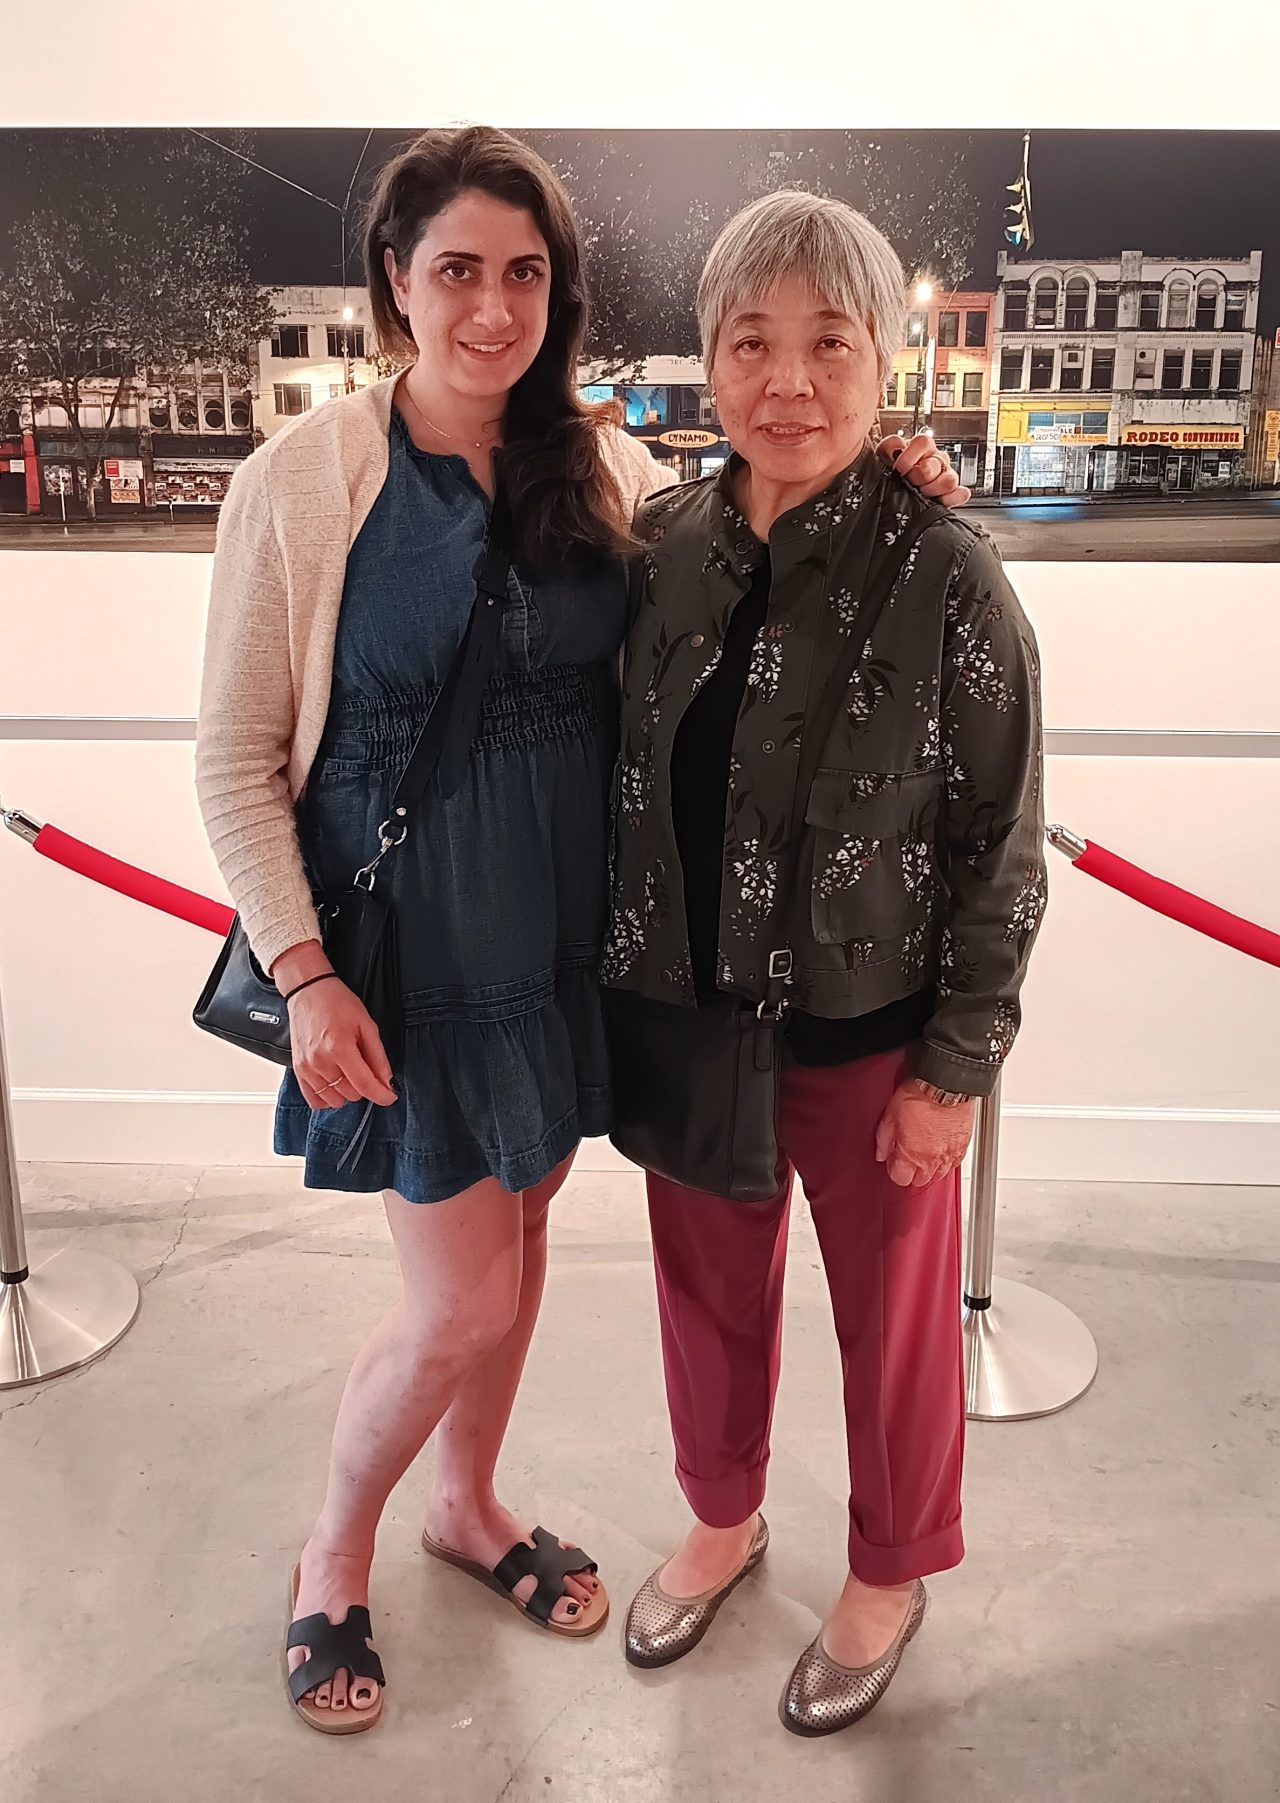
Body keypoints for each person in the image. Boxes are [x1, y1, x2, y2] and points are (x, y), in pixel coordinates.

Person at [196, 128, 970, 1733]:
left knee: (526, 1245)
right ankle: (329, 1558)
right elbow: (233, 758)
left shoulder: (604, 468)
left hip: (562, 966)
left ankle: (466, 1508)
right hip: (410, 969)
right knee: (458, 1299)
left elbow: (751, 521)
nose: (492, 306)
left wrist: (891, 471)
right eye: (457, 269)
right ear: (395, 285)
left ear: (559, 290)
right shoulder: (305, 483)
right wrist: (302, 964)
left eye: (524, 271)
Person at [604, 190, 1047, 1736]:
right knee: (705, 1298)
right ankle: (723, 1520)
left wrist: (957, 1067)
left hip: (874, 1035)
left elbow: (1003, 841)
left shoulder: (951, 574)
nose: (786, 382)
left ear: (884, 365)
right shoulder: (659, 546)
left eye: (827, 344)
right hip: (688, 1015)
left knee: (895, 1322)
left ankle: (891, 1569)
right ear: (710, 364)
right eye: (751, 343)